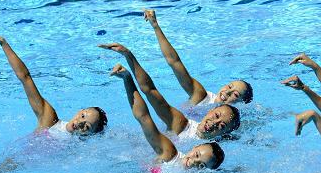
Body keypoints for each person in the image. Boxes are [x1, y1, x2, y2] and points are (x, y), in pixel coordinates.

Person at [99, 42, 240, 140]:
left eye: (222, 125)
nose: (214, 123)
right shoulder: (182, 125)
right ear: (209, 111)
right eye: (216, 116)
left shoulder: (216, 151)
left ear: (225, 134)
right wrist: (129, 56)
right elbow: (150, 91)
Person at [110, 63, 224, 173]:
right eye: (196, 155)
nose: (193, 162)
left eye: (201, 165)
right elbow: (143, 118)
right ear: (194, 147)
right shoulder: (170, 155)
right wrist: (127, 78)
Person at [0, 34, 108, 136]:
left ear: (90, 135)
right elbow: (25, 78)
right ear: (80, 111)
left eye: (87, 127)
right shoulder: (50, 120)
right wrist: (3, 43)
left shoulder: (81, 148)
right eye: (83, 116)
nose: (79, 123)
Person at [142, 9, 253, 105]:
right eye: (229, 87)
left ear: (241, 104)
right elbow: (174, 62)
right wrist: (155, 26)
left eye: (235, 94)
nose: (227, 92)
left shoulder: (232, 122)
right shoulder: (201, 96)